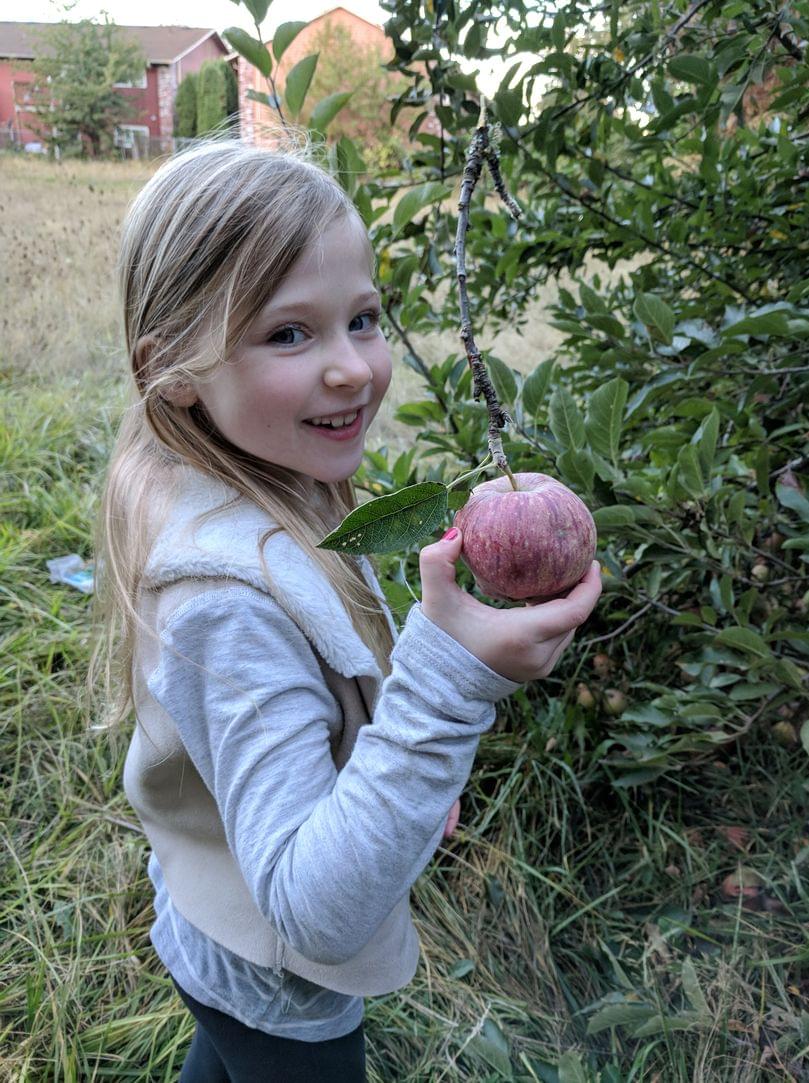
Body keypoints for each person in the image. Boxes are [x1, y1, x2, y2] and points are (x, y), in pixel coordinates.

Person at [93, 139, 602, 1082]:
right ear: (174, 370)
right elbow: (315, 912)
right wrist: (449, 684)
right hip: (280, 983)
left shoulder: (258, 472)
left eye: (363, 318)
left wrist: (383, 763)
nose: (352, 369)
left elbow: (316, 691)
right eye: (289, 333)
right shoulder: (223, 602)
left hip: (213, 921)